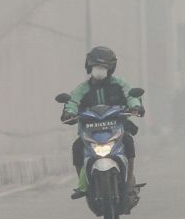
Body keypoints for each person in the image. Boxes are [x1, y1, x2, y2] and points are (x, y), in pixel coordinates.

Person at [61, 46, 144, 199]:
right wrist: (69, 112)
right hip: (90, 131)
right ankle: (83, 184)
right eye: (96, 66)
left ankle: (129, 181)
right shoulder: (82, 88)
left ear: (110, 68)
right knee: (77, 147)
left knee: (128, 141)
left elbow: (131, 96)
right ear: (89, 67)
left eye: (103, 67)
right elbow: (72, 101)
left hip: (116, 129)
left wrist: (135, 106)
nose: (99, 70)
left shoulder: (119, 84)